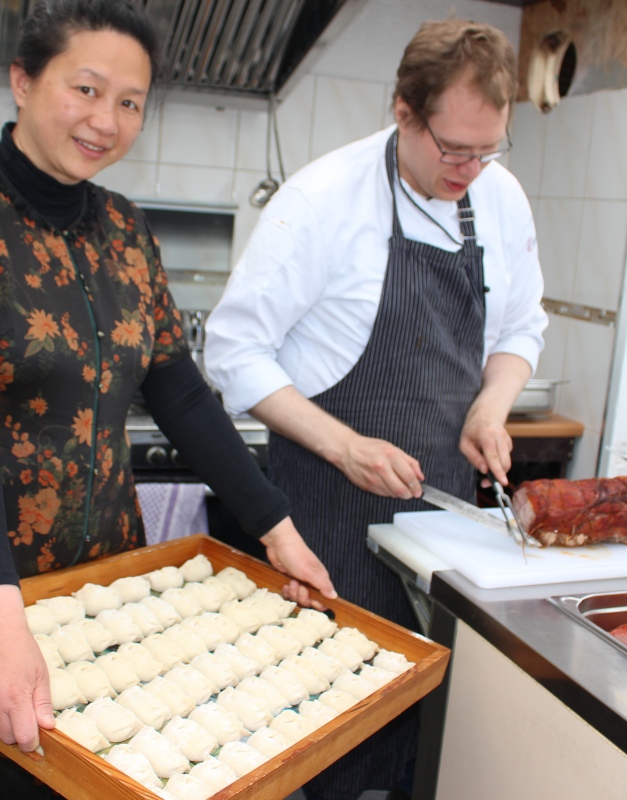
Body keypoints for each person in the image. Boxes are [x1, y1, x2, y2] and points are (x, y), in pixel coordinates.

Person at [0, 2, 334, 797]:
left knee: (79, 771)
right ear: (23, 81)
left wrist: (276, 528)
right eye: (87, 89)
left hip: (94, 571)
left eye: (130, 102)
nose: (107, 120)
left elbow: (183, 397)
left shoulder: (127, 233)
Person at [204, 18, 547, 800]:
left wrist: (491, 408)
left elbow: (522, 326)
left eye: (488, 151)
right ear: (403, 111)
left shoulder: (499, 196)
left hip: (443, 517)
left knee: (426, 723)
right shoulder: (324, 198)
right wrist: (344, 445)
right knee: (322, 726)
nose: (470, 169)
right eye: (452, 149)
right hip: (327, 513)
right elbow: (233, 353)